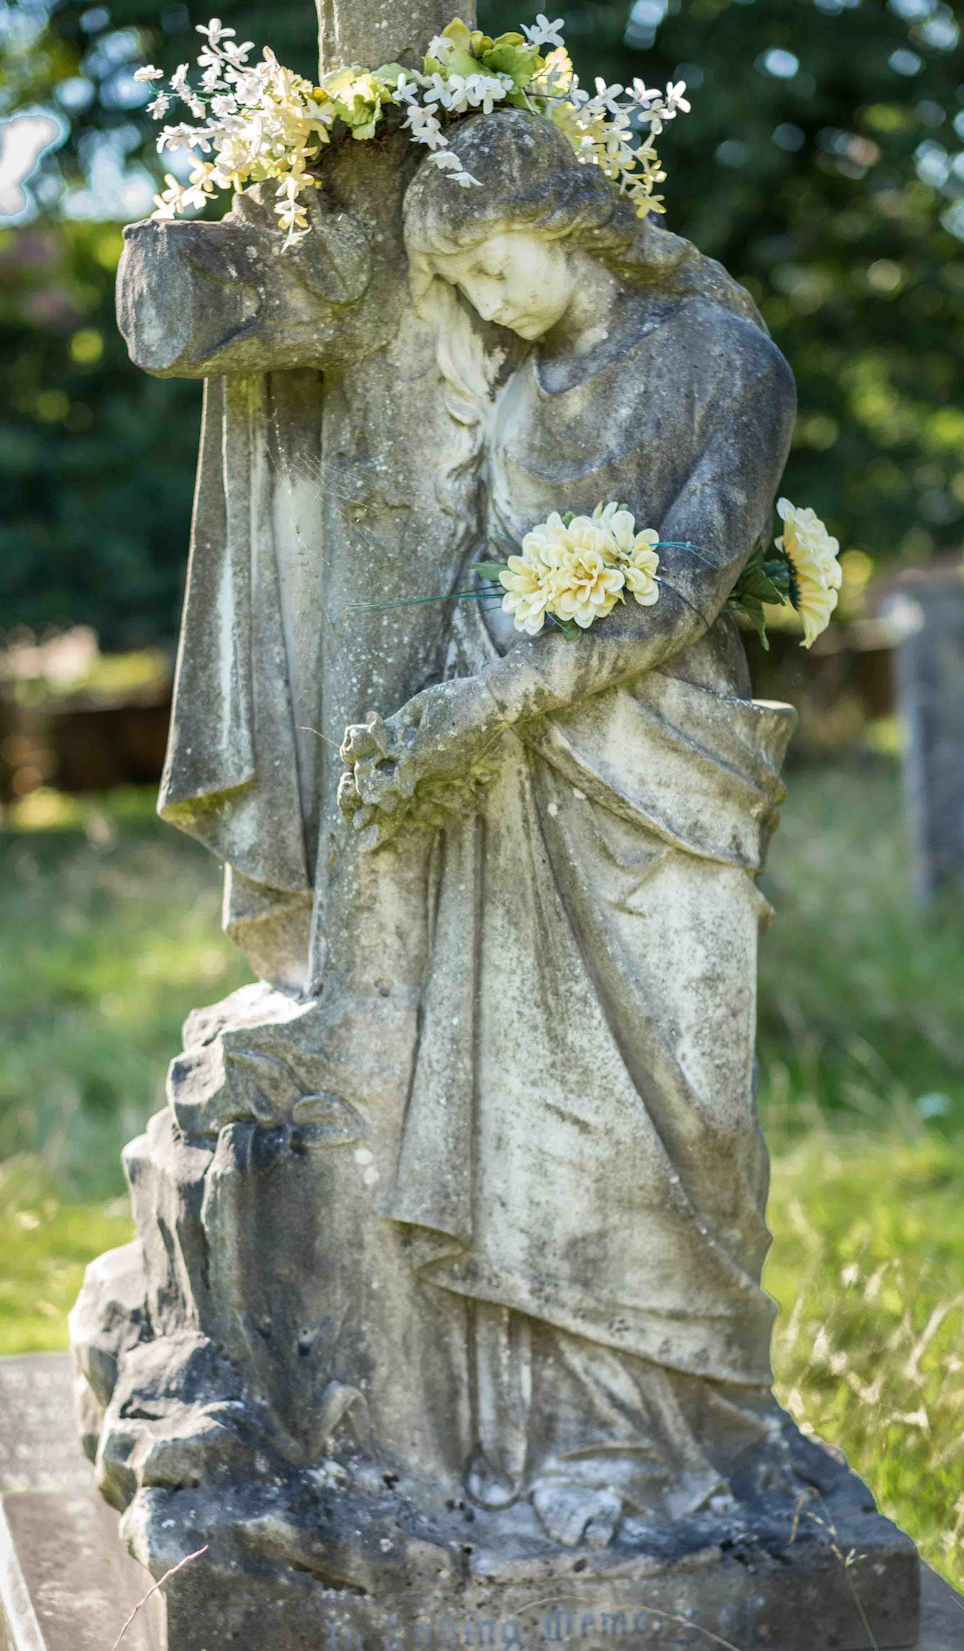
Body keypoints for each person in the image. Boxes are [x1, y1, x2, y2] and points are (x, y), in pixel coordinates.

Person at [339, 109, 799, 1550]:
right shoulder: (523, 388)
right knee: (537, 1124)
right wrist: (433, 715)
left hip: (666, 782)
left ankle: (699, 1434)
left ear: (563, 213)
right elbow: (479, 566)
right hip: (525, 792)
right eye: (461, 287)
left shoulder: (730, 362)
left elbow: (683, 587)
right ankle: (560, 1450)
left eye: (489, 266)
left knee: (691, 1118)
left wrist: (487, 705)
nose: (485, 303)